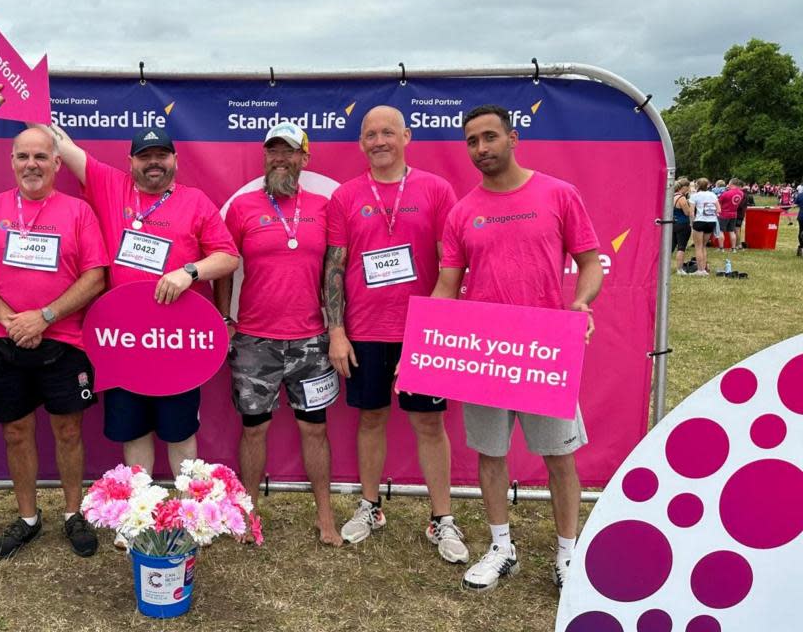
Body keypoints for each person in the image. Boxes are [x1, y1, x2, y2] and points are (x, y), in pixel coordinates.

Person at [16, 103, 238, 483]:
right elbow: (59, 142)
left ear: (175, 160)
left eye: (161, 156)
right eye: (145, 157)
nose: (154, 163)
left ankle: (187, 512)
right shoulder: (108, 183)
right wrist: (23, 104)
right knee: (133, 430)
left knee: (180, 430)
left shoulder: (195, 201)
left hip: (177, 341)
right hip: (122, 338)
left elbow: (228, 257)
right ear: (130, 161)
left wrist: (190, 272)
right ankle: (139, 510)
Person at [434, 104, 602, 593]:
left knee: (559, 457)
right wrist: (422, 342)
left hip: (545, 350)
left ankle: (568, 555)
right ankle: (501, 547)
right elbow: (448, 285)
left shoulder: (558, 194)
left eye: (489, 137)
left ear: (512, 137)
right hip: (483, 352)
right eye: (471, 141)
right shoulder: (462, 212)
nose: (481, 149)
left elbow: (590, 263)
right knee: (490, 453)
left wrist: (580, 304)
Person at [323, 105, 467, 561]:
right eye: (370, 134)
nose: (379, 141)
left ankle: (442, 518)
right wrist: (336, 331)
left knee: (429, 422)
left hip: (421, 330)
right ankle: (370, 506)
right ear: (361, 143)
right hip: (363, 330)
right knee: (370, 418)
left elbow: (452, 263)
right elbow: (334, 268)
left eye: (388, 132)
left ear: (406, 136)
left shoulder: (437, 190)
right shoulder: (345, 196)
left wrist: (436, 331)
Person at [0, 127, 108, 560]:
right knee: (16, 431)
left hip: (64, 340)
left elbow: (95, 276)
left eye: (41, 157)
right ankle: (28, 517)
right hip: (4, 340)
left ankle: (72, 513)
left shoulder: (78, 212)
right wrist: (12, 320)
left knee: (68, 431)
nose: (32, 165)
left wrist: (44, 317)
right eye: (23, 156)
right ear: (12, 161)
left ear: (57, 164)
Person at [213, 122, 342, 546]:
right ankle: (249, 513)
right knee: (254, 428)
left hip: (311, 340)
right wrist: (223, 319)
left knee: (315, 429)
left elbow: (335, 273)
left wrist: (337, 329)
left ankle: (325, 517)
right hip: (254, 340)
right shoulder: (243, 208)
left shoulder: (325, 206)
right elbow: (225, 264)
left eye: (289, 151)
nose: (279, 158)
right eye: (273, 151)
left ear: (305, 158)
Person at [688, 179, 720, 276]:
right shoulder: (713, 195)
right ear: (708, 185)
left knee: (698, 247)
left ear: (697, 185)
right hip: (711, 221)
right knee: (704, 246)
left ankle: (700, 270)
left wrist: (692, 222)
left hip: (700, 221)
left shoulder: (694, 196)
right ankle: (704, 269)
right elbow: (719, 209)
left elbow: (691, 212)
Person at [671, 178, 693, 274]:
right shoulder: (682, 198)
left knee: (671, 247)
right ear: (684, 187)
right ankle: (679, 269)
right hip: (683, 224)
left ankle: (662, 267)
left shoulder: (671, 196)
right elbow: (687, 212)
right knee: (681, 247)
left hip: (673, 224)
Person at [717, 178, 744, 252]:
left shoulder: (726, 193)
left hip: (724, 214)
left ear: (731, 184)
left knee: (721, 231)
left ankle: (721, 248)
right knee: (732, 231)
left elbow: (719, 202)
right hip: (734, 214)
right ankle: (733, 248)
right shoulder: (741, 193)